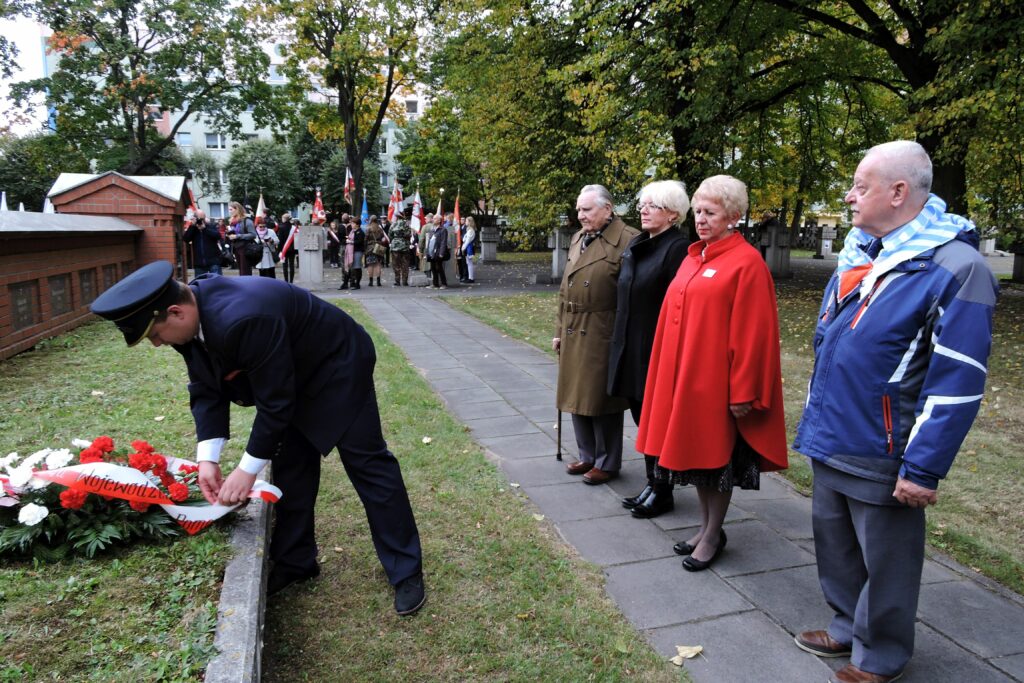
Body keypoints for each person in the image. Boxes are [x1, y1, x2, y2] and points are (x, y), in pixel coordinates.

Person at [88, 261, 427, 615]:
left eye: (155, 335)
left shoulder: (243, 317)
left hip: (336, 365)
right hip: (287, 371)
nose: (157, 344)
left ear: (175, 311)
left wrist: (246, 469)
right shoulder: (189, 317)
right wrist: (208, 458)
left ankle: (406, 570)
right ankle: (297, 562)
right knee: (292, 465)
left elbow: (276, 404)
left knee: (368, 464)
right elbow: (206, 385)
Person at [792, 141, 997, 683]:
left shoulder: (956, 267)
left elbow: (958, 380)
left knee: (888, 562)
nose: (849, 195)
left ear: (898, 192)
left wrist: (923, 466)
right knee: (835, 543)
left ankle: (878, 655)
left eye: (860, 186)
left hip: (886, 448)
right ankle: (844, 625)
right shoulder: (862, 252)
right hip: (833, 432)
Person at [636, 175, 788, 571]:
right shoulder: (693, 256)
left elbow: (754, 334)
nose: (700, 219)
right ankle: (706, 530)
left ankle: (713, 534)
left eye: (710, 212)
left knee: (715, 462)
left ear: (734, 216)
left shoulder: (746, 263)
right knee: (694, 460)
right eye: (698, 211)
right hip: (684, 381)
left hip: (717, 386)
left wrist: (743, 391)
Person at [607, 180, 690, 518]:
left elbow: (678, 306)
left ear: (672, 214)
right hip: (630, 345)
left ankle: (663, 488)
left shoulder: (677, 249)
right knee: (642, 417)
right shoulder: (641, 243)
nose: (643, 209)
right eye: (643, 204)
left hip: (654, 349)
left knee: (657, 420)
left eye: (652, 205)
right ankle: (652, 481)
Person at [553, 184, 639, 485]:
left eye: (587, 209)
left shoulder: (629, 240)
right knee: (575, 394)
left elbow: (632, 296)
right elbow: (565, 290)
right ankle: (587, 454)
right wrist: (558, 330)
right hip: (574, 329)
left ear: (607, 208)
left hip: (604, 330)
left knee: (602, 399)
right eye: (579, 209)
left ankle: (607, 461)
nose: (581, 215)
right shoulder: (579, 238)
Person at [184, 209, 223, 277]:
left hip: (214, 261)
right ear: (195, 218)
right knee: (200, 285)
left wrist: (204, 229)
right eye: (199, 218)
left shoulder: (211, 226)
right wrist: (192, 226)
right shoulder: (193, 229)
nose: (201, 221)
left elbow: (218, 236)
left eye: (203, 218)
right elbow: (186, 239)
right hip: (199, 263)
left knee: (217, 283)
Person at [227, 201, 257, 276]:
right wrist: (229, 235)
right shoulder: (233, 221)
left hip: (245, 248)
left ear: (237, 209)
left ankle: (247, 286)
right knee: (241, 270)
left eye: (231, 209)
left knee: (245, 270)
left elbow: (253, 234)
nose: (229, 212)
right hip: (236, 247)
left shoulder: (247, 220)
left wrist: (238, 236)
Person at [426, 213, 450, 289]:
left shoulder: (443, 230)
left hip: (438, 252)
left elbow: (443, 242)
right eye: (433, 218)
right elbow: (429, 242)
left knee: (439, 268)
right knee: (433, 268)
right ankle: (435, 284)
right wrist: (427, 252)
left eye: (435, 218)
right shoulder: (432, 229)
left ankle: (444, 284)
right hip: (432, 252)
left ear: (439, 220)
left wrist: (441, 253)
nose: (433, 219)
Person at [389, 211, 413, 286]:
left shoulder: (393, 224)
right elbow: (409, 234)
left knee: (396, 264)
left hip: (395, 246)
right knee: (405, 264)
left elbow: (390, 235)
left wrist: (395, 239)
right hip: (405, 246)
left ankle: (397, 281)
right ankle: (405, 281)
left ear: (396, 217)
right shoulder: (406, 224)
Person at [364, 216, 388, 287]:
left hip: (370, 248)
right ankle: (378, 281)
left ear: (371, 220)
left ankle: (371, 282)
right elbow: (383, 238)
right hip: (378, 247)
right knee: (378, 264)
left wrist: (365, 248)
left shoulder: (368, 228)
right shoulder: (380, 228)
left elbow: (365, 238)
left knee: (370, 264)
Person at [277, 213, 298, 284]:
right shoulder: (294, 228)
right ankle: (291, 281)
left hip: (284, 249)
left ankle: (286, 281)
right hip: (292, 249)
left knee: (285, 265)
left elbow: (280, 240)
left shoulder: (281, 227)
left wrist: (279, 250)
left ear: (284, 219)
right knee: (292, 265)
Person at [460, 216, 477, 283]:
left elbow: (467, 240)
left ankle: (471, 278)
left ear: (469, 222)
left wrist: (463, 247)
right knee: (469, 263)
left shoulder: (470, 230)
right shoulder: (469, 230)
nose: (465, 222)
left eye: (466, 221)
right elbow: (464, 238)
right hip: (467, 247)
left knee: (469, 263)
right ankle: (470, 277)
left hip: (468, 247)